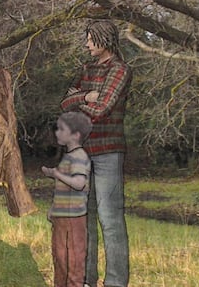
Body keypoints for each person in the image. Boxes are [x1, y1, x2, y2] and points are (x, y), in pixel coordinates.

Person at [61, 20, 132, 287]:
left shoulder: (120, 70)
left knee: (110, 219)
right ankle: (86, 280)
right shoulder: (86, 69)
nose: (87, 44)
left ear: (104, 39)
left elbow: (103, 110)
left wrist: (84, 100)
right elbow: (64, 103)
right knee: (84, 219)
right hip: (82, 153)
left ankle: (115, 283)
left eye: (91, 38)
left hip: (108, 153)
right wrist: (84, 97)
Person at [42, 111, 93, 287]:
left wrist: (56, 174)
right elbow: (64, 189)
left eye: (62, 129)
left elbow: (79, 183)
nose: (57, 133)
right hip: (61, 217)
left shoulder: (79, 157)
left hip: (74, 219)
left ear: (75, 135)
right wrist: (53, 210)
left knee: (73, 260)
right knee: (60, 258)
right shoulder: (68, 157)